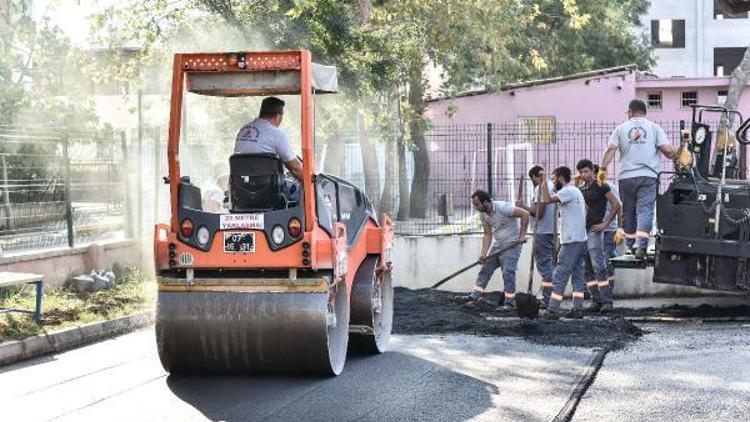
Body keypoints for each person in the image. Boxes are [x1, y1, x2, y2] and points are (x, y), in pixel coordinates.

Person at [599, 99, 675, 259]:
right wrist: (680, 155)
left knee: (628, 211)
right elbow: (667, 150)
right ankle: (641, 246)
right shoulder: (654, 128)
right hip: (648, 177)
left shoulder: (620, 128)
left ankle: (630, 246)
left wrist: (602, 169)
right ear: (644, 112)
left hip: (626, 177)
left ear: (631, 111)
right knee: (645, 211)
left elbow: (610, 150)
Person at [539, 166, 588, 319]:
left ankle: (552, 309)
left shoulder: (567, 191)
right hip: (581, 239)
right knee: (578, 275)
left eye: (554, 179)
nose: (553, 182)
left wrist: (543, 183)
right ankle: (578, 308)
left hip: (572, 241)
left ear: (560, 178)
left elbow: (547, 200)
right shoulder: (576, 191)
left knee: (560, 274)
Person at [469, 189, 530, 311]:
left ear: (485, 202)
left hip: (512, 244)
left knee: (508, 272)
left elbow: (525, 214)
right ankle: (475, 296)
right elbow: (487, 234)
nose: (475, 207)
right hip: (498, 245)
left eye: (476, 204)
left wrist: (522, 235)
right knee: (485, 268)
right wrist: (483, 254)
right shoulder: (483, 214)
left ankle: (510, 303)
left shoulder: (503, 207)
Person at [576, 160, 621, 312]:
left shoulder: (601, 186)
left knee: (599, 267)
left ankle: (607, 301)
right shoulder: (580, 189)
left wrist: (605, 224)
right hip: (582, 232)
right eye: (581, 172)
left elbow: (616, 205)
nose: (583, 175)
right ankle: (596, 300)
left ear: (593, 172)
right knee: (587, 268)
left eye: (586, 171)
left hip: (595, 231)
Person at [516, 165, 557, 307]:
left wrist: (523, 207)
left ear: (534, 176)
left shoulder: (540, 188)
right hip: (552, 231)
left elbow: (539, 213)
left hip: (542, 232)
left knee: (545, 267)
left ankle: (548, 299)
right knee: (550, 265)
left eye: (531, 179)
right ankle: (550, 296)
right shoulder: (553, 186)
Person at [234, 96, 304, 180]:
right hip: (268, 190)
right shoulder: (276, 134)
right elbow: (296, 169)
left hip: (241, 187)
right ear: (277, 116)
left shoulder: (243, 130)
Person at [602, 181, 623, 298]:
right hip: (594, 230)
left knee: (608, 261)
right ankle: (600, 292)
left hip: (609, 230)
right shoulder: (587, 187)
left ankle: (608, 290)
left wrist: (620, 228)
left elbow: (618, 206)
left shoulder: (609, 187)